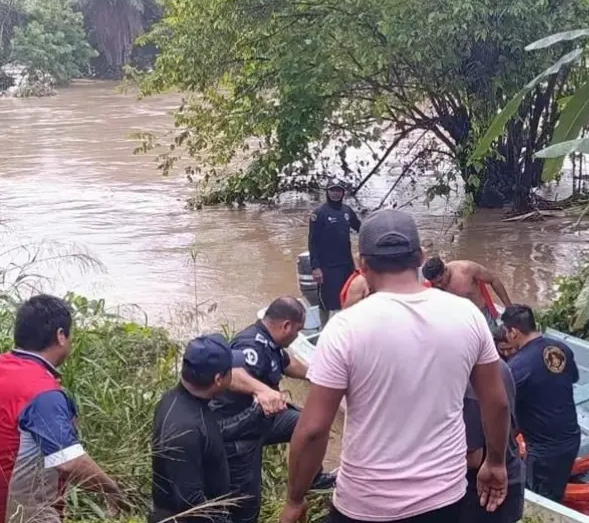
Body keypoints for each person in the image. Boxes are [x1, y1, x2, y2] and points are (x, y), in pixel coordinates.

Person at [280, 209, 511, 523]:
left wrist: (295, 499)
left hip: (366, 505)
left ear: (362, 264)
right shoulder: (467, 315)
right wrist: (495, 462)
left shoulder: (345, 328)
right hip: (444, 498)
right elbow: (496, 403)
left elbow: (313, 431)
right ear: (421, 258)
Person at [0, 295, 125, 523]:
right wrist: (110, 489)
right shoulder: (41, 392)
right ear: (60, 336)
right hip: (19, 514)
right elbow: (70, 462)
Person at [211, 296, 335, 523]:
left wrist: (318, 375)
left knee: (308, 424)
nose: (298, 336)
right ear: (286, 326)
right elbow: (234, 374)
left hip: (263, 419)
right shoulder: (251, 343)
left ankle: (311, 478)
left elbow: (288, 364)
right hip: (238, 429)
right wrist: (261, 390)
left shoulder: (272, 343)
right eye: (297, 330)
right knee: (247, 503)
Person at [150, 334, 246, 523]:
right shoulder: (185, 430)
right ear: (218, 379)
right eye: (231, 370)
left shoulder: (172, 399)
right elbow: (192, 505)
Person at [501, 304, 580, 502]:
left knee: (541, 501)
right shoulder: (562, 349)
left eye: (506, 332)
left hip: (544, 450)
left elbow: (502, 406)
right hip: (571, 437)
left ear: (514, 332)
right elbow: (572, 378)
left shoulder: (517, 366)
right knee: (555, 492)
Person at [461, 326, 525, 523]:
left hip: (485, 492)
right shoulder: (500, 366)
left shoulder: (471, 386)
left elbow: (472, 458)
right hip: (512, 473)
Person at [308, 179, 362, 323]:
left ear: (343, 192)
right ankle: (324, 331)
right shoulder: (319, 213)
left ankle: (349, 327)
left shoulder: (347, 211)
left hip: (347, 264)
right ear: (327, 192)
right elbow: (313, 242)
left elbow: (361, 229)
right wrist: (315, 267)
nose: (336, 193)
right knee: (326, 302)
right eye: (333, 190)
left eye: (339, 190)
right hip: (327, 266)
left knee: (350, 296)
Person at [422, 257, 512, 324]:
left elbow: (494, 280)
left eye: (440, 281)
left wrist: (510, 308)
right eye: (435, 283)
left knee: (503, 333)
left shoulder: (466, 269)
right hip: (458, 320)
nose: (439, 285)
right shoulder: (430, 285)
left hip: (481, 315)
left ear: (445, 270)